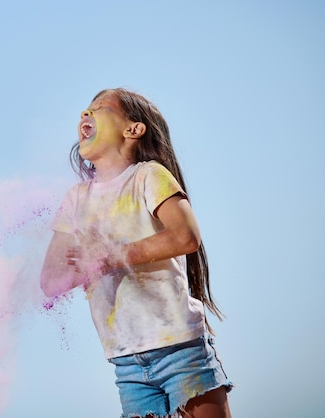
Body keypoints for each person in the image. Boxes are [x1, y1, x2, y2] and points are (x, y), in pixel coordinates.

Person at [40, 88, 233, 418]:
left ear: (133, 129)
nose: (85, 115)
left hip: (179, 348)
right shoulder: (75, 200)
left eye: (98, 109)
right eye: (84, 111)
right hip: (126, 364)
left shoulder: (148, 176)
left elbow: (186, 236)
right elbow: (50, 282)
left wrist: (111, 256)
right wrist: (84, 264)